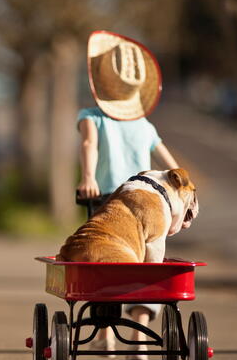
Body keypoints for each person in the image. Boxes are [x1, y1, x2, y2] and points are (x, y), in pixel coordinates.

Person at [77, 30, 180, 360]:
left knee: (105, 266)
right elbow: (170, 165)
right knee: (148, 265)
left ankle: (105, 336)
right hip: (146, 205)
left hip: (107, 203)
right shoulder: (144, 125)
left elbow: (89, 144)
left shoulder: (91, 117)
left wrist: (89, 177)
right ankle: (139, 335)